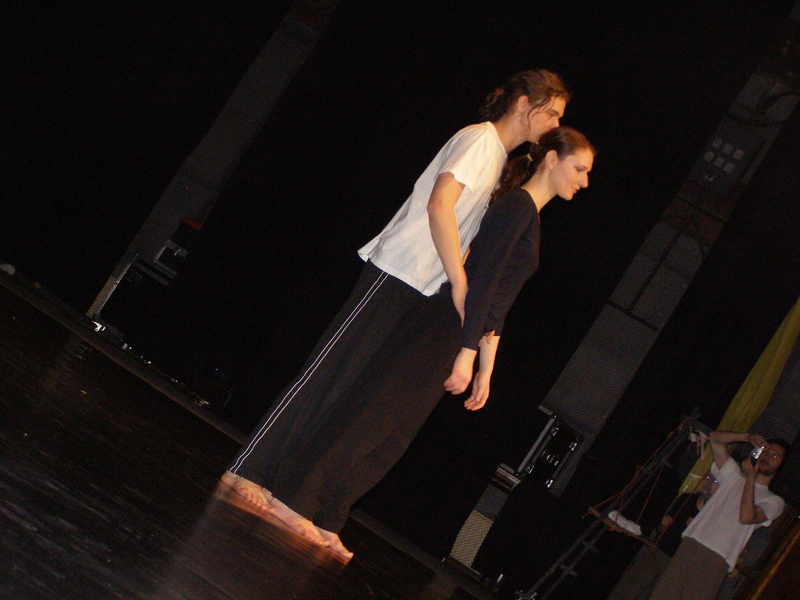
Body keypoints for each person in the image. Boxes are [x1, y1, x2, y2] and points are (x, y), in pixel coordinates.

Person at [222, 69, 571, 558]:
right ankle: (247, 468)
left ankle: (275, 482)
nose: (555, 124)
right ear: (523, 106)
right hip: (397, 270)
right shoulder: (479, 140)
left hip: (417, 287)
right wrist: (460, 279)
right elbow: (439, 204)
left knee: (343, 388)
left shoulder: (497, 158)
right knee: (325, 374)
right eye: (551, 113)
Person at [648, 431, 787, 600]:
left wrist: (751, 477)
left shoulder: (774, 501)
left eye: (775, 455)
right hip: (692, 542)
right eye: (766, 451)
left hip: (719, 556)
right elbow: (714, 439)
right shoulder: (734, 475)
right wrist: (747, 438)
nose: (768, 456)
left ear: (781, 465)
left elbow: (746, 517)